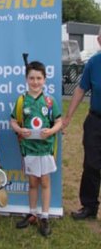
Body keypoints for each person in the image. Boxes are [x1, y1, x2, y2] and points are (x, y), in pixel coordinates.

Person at [11, 58, 65, 237]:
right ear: (26, 79)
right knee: (33, 182)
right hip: (29, 149)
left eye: (39, 78)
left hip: (46, 149)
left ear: (45, 79)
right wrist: (20, 129)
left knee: (45, 182)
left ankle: (45, 216)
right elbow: (13, 121)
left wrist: (51, 131)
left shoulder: (49, 101)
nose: (35, 82)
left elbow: (59, 121)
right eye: (32, 78)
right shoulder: (21, 101)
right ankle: (32, 213)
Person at [63, 32, 101, 221]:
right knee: (91, 164)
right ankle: (89, 206)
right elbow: (80, 90)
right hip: (96, 121)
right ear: (99, 40)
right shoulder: (93, 63)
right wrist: (68, 117)